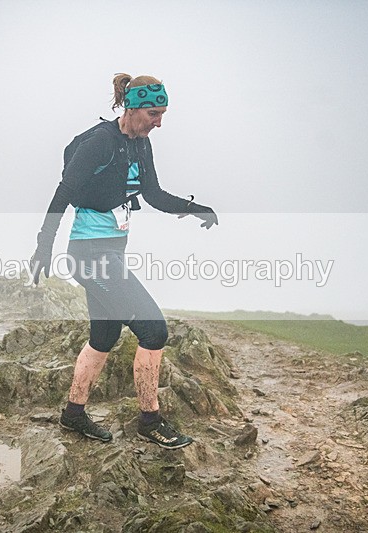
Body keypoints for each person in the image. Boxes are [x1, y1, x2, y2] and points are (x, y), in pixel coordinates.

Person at [30, 73, 218, 450]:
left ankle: (73, 413)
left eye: (163, 114)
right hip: (90, 256)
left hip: (110, 252)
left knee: (104, 337)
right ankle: (150, 421)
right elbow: (64, 192)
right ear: (131, 108)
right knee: (154, 331)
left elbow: (152, 194)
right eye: (153, 113)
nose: (159, 122)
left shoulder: (141, 144)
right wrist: (44, 245)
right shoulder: (101, 142)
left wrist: (194, 207)